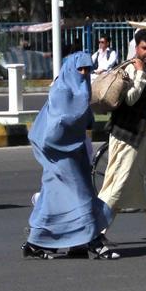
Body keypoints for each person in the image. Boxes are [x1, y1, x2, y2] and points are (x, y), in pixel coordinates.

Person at [23, 52, 113, 260]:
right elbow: (58, 122)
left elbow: (85, 117)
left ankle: (35, 243)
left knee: (52, 197)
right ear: (71, 69)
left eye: (88, 69)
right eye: (80, 69)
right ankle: (93, 241)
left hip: (74, 149)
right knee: (79, 193)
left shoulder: (82, 88)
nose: (84, 74)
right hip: (55, 149)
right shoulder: (61, 90)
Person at [97, 28, 146, 250]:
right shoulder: (132, 68)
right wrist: (138, 74)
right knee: (118, 185)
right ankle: (95, 231)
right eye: (143, 48)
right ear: (136, 47)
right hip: (129, 139)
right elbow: (130, 99)